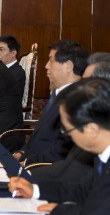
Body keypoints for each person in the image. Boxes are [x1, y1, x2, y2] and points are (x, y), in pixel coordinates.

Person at [8, 78, 110, 215]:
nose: (66, 136)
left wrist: (60, 210)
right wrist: (35, 190)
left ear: (92, 130)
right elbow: (82, 191)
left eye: (66, 130)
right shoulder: (102, 155)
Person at [30, 52, 110, 184]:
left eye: (85, 82)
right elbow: (69, 169)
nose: (79, 87)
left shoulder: (94, 130)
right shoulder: (89, 121)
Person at [13, 40, 88, 165]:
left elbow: (61, 150)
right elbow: (40, 134)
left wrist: (27, 162)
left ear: (68, 66)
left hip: (44, 168)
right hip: (32, 159)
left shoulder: (78, 100)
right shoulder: (57, 93)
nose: (46, 66)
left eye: (51, 60)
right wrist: (22, 153)